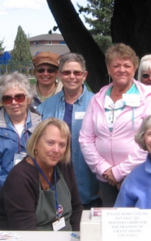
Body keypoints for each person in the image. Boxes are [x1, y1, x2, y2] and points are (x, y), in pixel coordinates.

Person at [79, 43, 151, 241]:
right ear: (108, 69)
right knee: (112, 234)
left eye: (127, 65)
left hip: (139, 176)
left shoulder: (148, 97)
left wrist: (120, 171)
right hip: (106, 180)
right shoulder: (98, 98)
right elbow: (86, 138)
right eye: (116, 65)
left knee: (139, 231)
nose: (122, 69)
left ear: (134, 68)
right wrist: (104, 169)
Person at [0, 72, 42, 226]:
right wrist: (14, 189)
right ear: (2, 101)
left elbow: (46, 159)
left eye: (19, 97)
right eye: (8, 98)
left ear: (28, 99)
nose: (14, 102)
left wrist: (28, 189)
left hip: (33, 196)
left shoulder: (41, 124)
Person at [38, 53, 100, 209]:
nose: (72, 77)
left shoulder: (98, 103)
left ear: (84, 75)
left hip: (90, 185)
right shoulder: (45, 107)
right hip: (55, 183)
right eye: (66, 72)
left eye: (77, 72)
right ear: (59, 75)